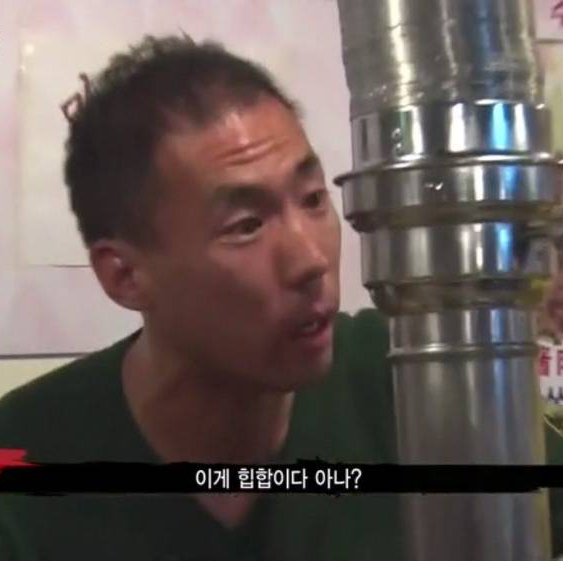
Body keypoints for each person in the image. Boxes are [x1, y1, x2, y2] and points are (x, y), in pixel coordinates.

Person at [0, 34, 561, 561]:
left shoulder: (414, 376)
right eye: (246, 225)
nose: (310, 259)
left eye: (313, 199)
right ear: (124, 275)